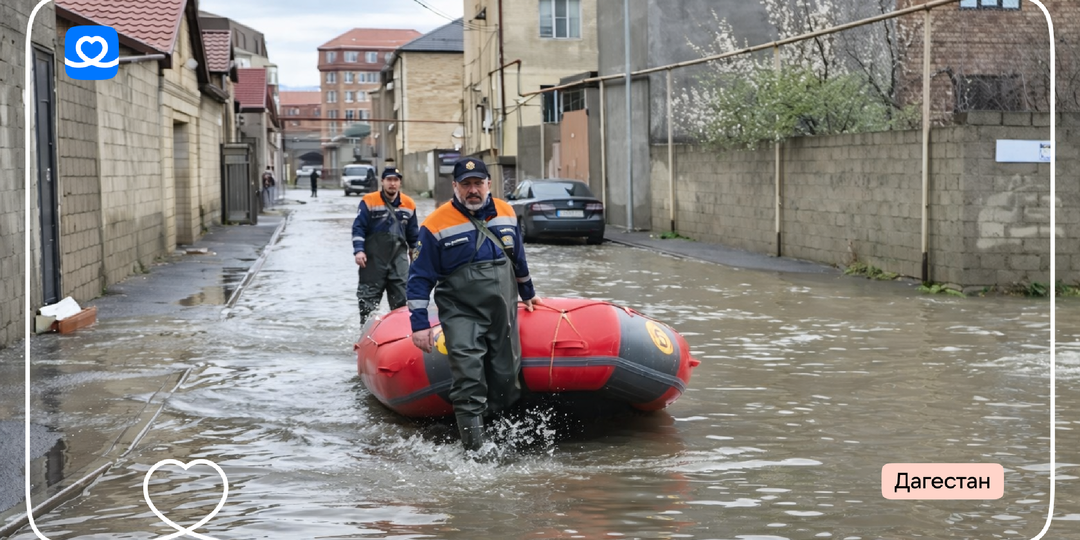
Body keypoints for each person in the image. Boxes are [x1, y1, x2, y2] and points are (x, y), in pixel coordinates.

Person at [407, 157, 541, 455]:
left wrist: (528, 292)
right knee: (469, 382)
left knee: (507, 379)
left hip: (502, 313)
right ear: (454, 186)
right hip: (462, 314)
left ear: (488, 185)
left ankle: (501, 443)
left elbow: (518, 258)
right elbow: (418, 278)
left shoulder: (506, 212)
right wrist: (419, 325)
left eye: (478, 183)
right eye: (465, 184)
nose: (472, 190)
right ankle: (475, 455)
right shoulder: (434, 225)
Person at [352, 167, 418, 325]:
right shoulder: (369, 201)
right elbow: (358, 227)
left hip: (398, 259)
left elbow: (414, 233)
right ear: (382, 182)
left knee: (402, 299)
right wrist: (359, 251)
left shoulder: (409, 204)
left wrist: (415, 253)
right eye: (389, 180)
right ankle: (366, 333)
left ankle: (401, 332)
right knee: (368, 301)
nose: (392, 184)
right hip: (373, 259)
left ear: (400, 182)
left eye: (395, 180)